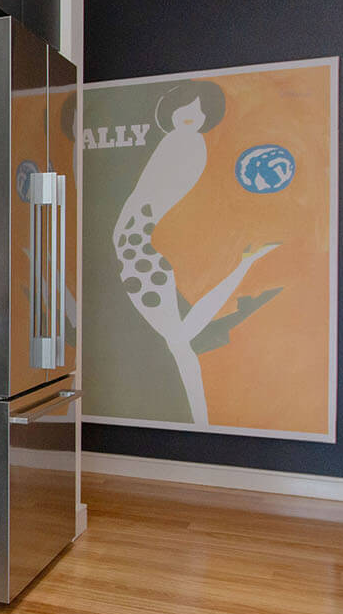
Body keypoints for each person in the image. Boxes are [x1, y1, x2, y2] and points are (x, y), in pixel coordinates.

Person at [112, 80, 276, 426]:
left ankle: (200, 421)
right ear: (172, 108)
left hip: (138, 253)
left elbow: (141, 204)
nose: (192, 114)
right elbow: (142, 200)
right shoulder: (183, 143)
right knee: (181, 342)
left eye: (200, 110)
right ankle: (200, 421)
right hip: (137, 252)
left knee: (181, 342)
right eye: (187, 106)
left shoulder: (185, 143)